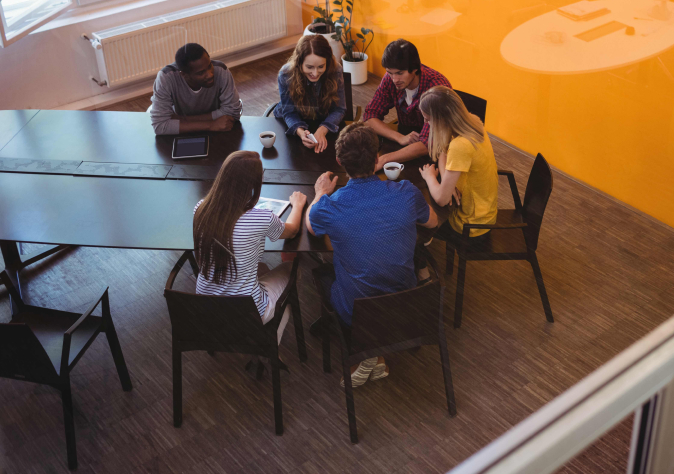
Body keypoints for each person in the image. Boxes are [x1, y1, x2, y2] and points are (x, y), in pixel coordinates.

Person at [305, 122, 438, 386]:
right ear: (377, 159)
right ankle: (375, 351)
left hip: (357, 310)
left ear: (340, 161)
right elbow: (432, 223)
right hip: (406, 299)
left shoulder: (330, 207)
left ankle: (365, 350)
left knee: (323, 268)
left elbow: (310, 224)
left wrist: (320, 192)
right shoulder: (407, 192)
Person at [193, 151, 306, 339]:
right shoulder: (261, 218)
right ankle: (267, 344)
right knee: (292, 268)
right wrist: (298, 205)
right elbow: (292, 230)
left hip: (207, 305)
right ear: (253, 184)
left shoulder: (201, 208)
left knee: (261, 267)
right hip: (247, 312)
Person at [418, 85, 498, 254]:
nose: (425, 123)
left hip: (472, 224)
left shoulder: (461, 145)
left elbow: (441, 199)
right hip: (485, 210)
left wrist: (429, 176)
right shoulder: (473, 122)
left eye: (428, 119)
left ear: (441, 119)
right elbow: (443, 151)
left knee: (417, 230)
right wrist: (449, 180)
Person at [363, 39, 451, 169]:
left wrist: (385, 159)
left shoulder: (436, 87)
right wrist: (399, 137)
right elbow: (370, 116)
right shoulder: (391, 78)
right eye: (389, 72)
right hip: (405, 143)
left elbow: (429, 143)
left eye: (400, 73)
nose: (394, 79)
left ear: (415, 69)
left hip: (439, 154)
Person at [273, 35, 346, 154]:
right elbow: (289, 112)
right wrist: (301, 132)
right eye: (309, 67)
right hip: (293, 126)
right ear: (299, 63)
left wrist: (322, 130)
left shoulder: (336, 70)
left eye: (321, 67)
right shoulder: (286, 74)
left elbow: (339, 109)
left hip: (324, 121)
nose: (315, 73)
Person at [150, 43, 242, 135]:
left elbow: (233, 112)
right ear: (184, 75)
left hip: (215, 131)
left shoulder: (221, 70)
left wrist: (182, 119)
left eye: (209, 66)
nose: (210, 74)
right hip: (184, 134)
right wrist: (210, 125)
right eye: (201, 73)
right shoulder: (166, 77)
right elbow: (160, 126)